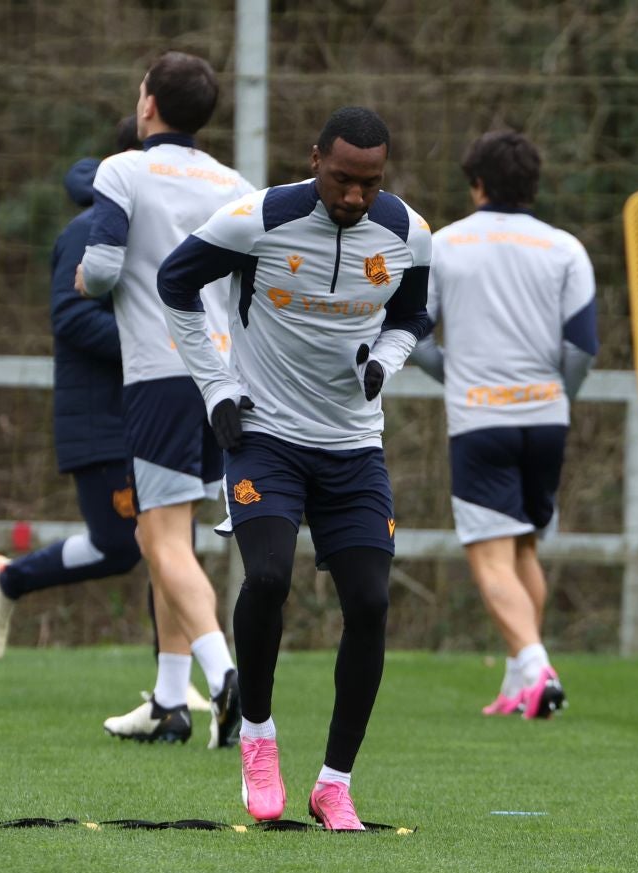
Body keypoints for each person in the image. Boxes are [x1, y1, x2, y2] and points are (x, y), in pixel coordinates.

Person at [157, 106, 431, 830]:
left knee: (370, 602)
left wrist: (386, 362)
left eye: (369, 184)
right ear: (315, 160)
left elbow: (412, 317)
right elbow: (174, 284)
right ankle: (257, 736)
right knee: (269, 578)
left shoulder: (407, 233)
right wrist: (215, 386)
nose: (353, 197)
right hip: (265, 437)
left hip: (353, 447)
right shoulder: (255, 219)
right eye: (342, 179)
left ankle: (334, 784)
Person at [0, 52, 248, 747]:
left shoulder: (123, 170)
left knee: (159, 540)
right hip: (221, 380)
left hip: (161, 378)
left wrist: (88, 277)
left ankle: (226, 680)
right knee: (178, 540)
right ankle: (170, 702)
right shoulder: (233, 182)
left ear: (147, 106)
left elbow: (101, 270)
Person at [407, 130, 596, 719]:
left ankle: (538, 667)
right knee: (522, 548)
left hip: (480, 416)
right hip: (546, 416)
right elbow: (582, 345)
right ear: (533, 184)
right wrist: (557, 395)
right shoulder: (565, 248)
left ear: (478, 184)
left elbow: (414, 332)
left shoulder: (448, 245)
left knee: (489, 556)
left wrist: (456, 374)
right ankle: (521, 681)